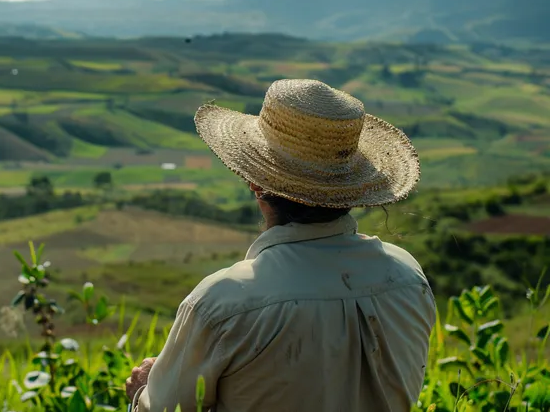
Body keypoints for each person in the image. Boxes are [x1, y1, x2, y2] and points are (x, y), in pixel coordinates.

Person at [125, 79, 435, 412]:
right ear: (353, 189)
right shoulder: (407, 277)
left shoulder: (223, 303)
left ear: (254, 181)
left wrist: (143, 392)